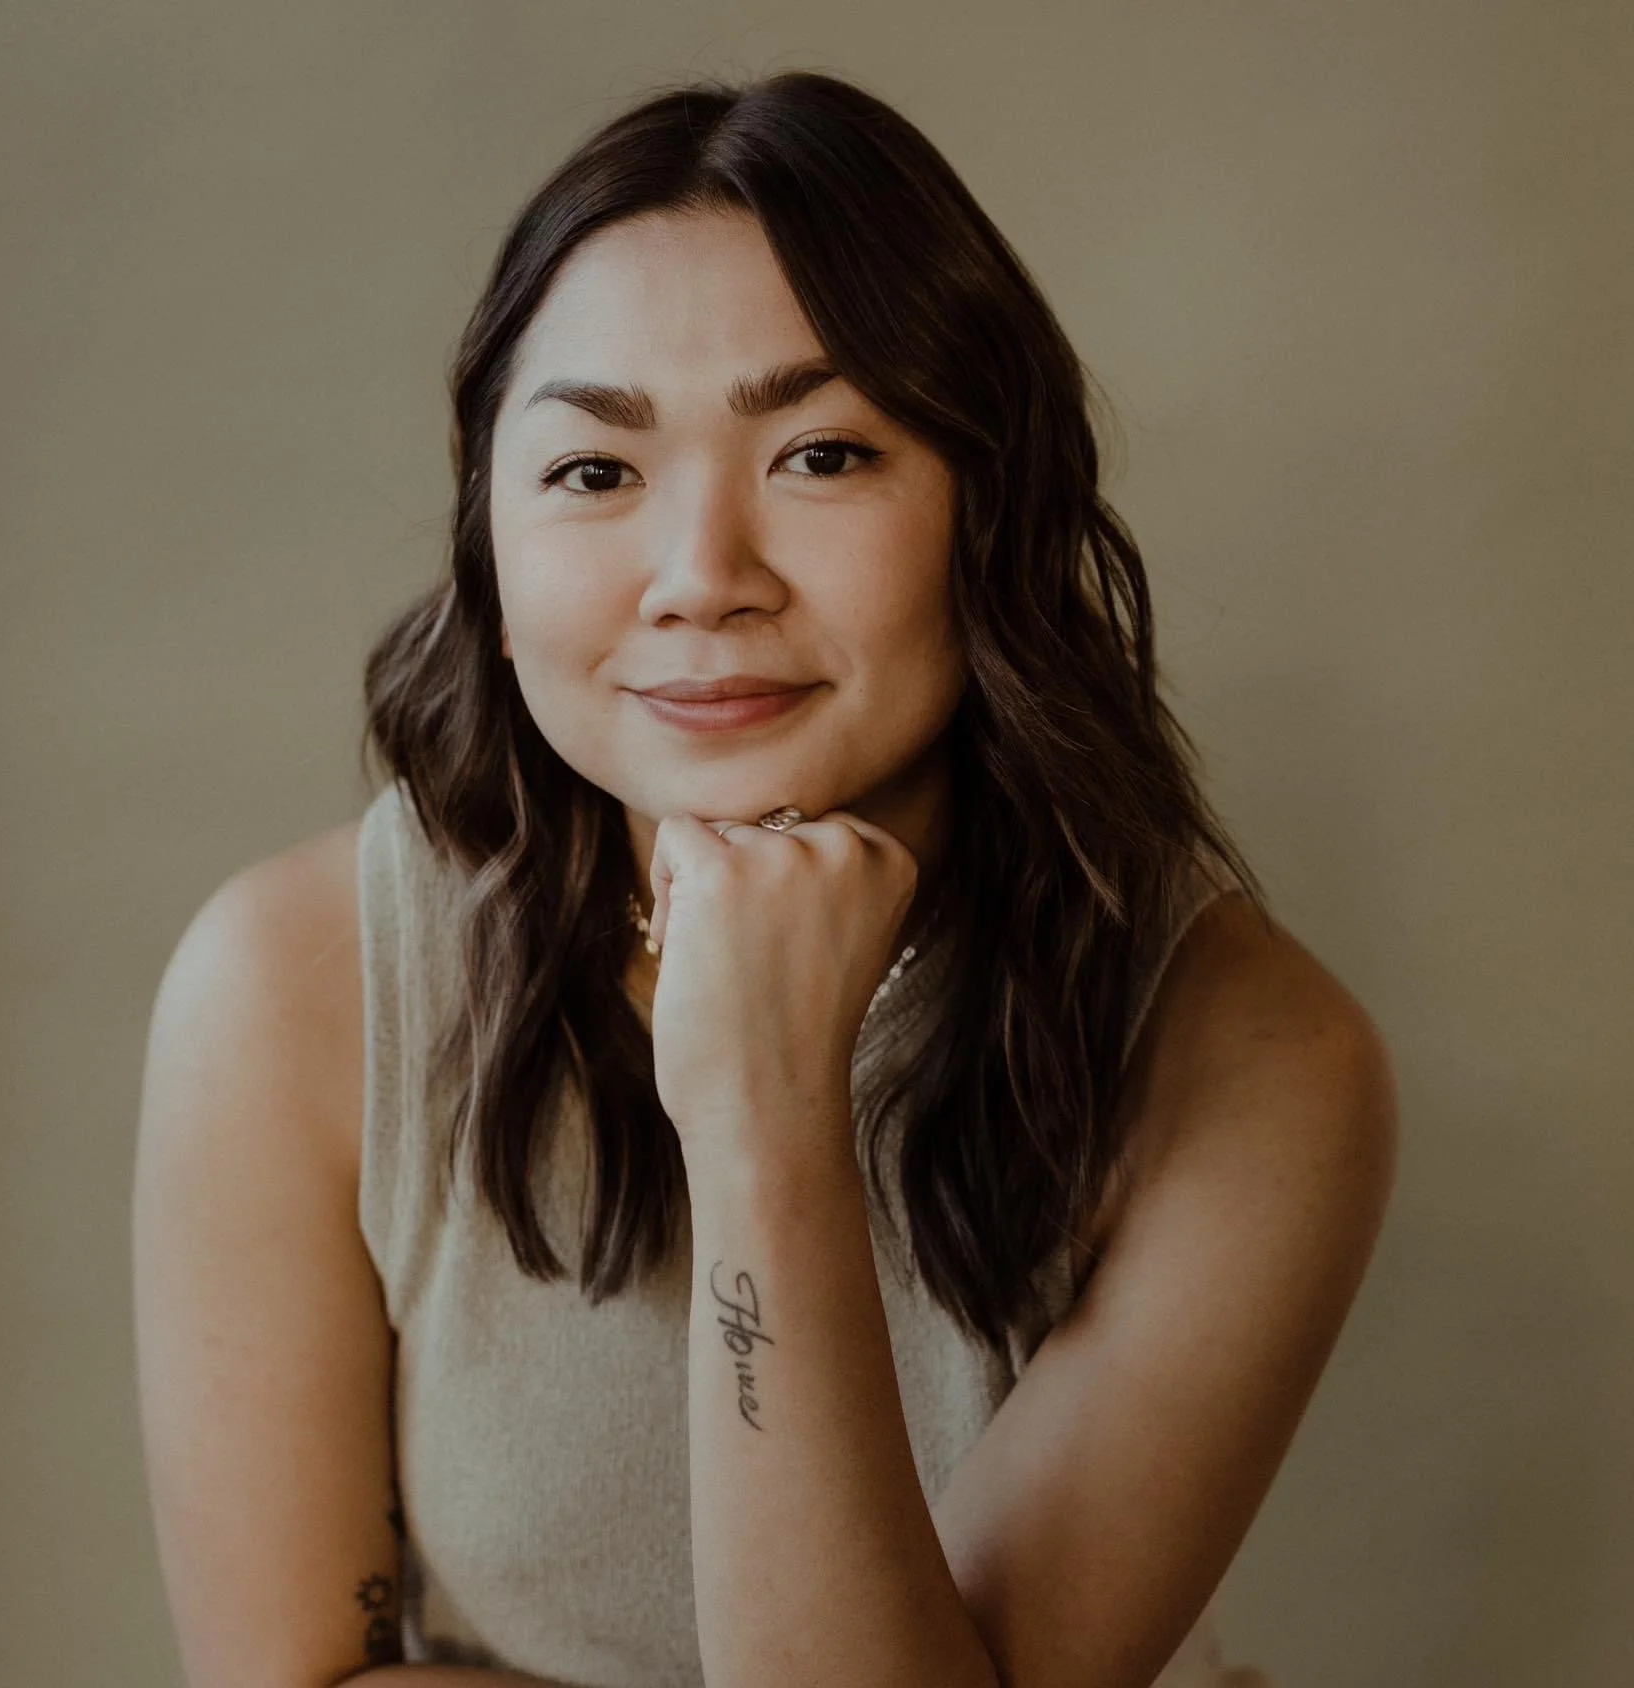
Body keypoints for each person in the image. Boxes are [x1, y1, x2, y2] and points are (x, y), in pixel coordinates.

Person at [132, 69, 1396, 1688]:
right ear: (491, 552)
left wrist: (764, 1122)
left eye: (823, 453)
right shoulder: (293, 986)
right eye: (596, 471)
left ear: (993, 514)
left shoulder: (1256, 1058)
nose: (700, 580)